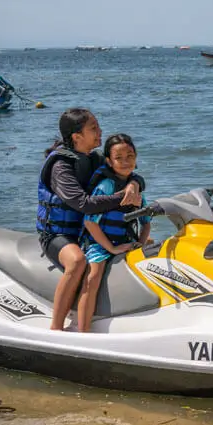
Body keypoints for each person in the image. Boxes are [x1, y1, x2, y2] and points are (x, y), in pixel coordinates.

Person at [37, 108, 144, 331]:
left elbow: (126, 171)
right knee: (77, 262)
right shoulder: (61, 166)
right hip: (58, 235)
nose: (100, 131)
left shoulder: (93, 159)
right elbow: (83, 204)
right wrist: (122, 197)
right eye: (93, 128)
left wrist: (134, 184)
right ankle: (56, 328)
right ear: (77, 136)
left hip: (87, 234)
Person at [78, 134, 151, 333]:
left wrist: (141, 243)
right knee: (92, 278)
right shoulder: (106, 187)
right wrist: (111, 248)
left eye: (130, 156)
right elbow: (90, 223)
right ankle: (83, 332)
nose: (126, 162)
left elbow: (146, 222)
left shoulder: (137, 191)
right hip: (100, 244)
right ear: (109, 161)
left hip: (127, 241)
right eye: (119, 158)